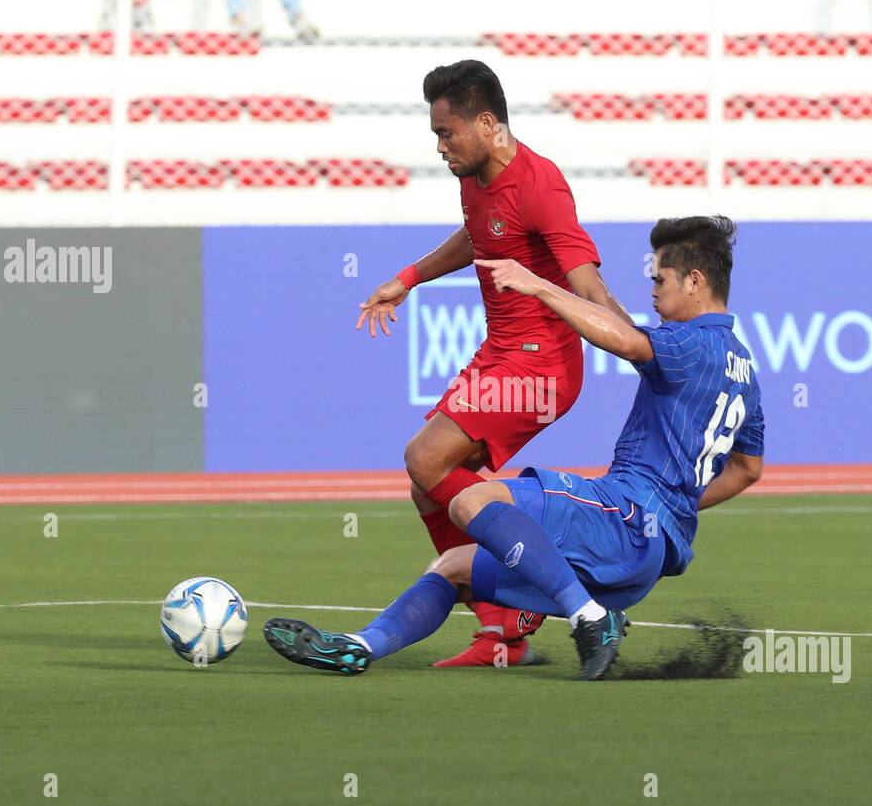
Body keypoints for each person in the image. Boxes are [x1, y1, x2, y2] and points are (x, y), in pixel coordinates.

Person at [266, 216, 765, 681]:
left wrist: (541, 285)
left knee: (471, 500)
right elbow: (747, 470)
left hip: (623, 518)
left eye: (660, 279)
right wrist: (676, 507)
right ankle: (358, 648)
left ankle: (589, 616)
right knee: (452, 568)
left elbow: (630, 342)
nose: (653, 291)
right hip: (646, 557)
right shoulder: (743, 370)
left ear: (695, 281)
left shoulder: (689, 343)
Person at [354, 59, 631, 668]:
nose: (440, 147)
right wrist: (410, 278)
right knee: (427, 486)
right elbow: (477, 236)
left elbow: (587, 283)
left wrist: (638, 345)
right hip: (499, 358)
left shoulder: (541, 185)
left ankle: (569, 600)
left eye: (446, 133)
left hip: (541, 370)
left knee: (425, 458)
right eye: (435, 135)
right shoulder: (475, 177)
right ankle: (502, 635)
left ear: (488, 124)